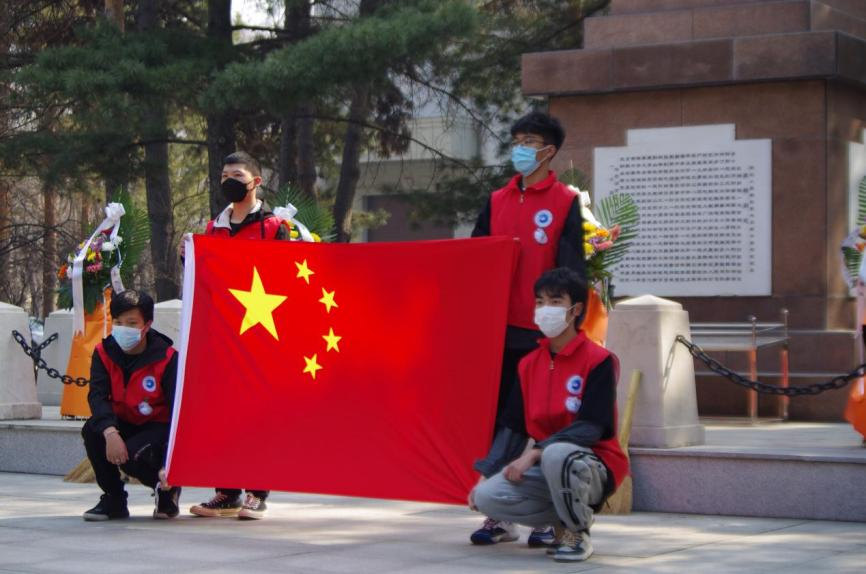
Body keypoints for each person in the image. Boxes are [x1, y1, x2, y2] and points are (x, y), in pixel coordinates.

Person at [470, 111, 586, 546]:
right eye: (516, 140)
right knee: (499, 422)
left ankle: (544, 517)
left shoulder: (565, 201)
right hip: (499, 330)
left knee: (544, 422)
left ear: (548, 150)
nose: (520, 149)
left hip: (544, 332)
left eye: (529, 142)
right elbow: (474, 259)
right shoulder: (497, 199)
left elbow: (572, 270)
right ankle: (499, 516)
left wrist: (567, 328)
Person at [470, 268, 629, 563]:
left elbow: (592, 427)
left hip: (593, 464)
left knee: (556, 454)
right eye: (540, 302)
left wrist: (535, 453)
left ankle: (576, 533)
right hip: (548, 464)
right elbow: (514, 427)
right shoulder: (529, 364)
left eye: (555, 302)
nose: (545, 310)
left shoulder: (599, 360)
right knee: (486, 497)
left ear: (576, 310)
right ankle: (559, 522)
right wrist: (487, 472)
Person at [186, 151, 289, 519]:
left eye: (237, 175)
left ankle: (257, 492)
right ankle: (226, 491)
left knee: (258, 413)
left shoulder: (275, 226)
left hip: (262, 332)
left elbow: (286, 277)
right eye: (224, 175)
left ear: (255, 181)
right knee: (223, 412)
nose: (229, 181)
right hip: (224, 334)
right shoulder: (213, 228)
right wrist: (189, 259)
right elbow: (207, 278)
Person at [81, 289, 181, 521]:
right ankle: (114, 499)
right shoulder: (103, 353)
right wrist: (110, 432)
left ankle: (167, 489)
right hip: (122, 421)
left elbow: (178, 411)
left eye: (132, 323)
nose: (123, 328)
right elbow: (97, 396)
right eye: (118, 322)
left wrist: (170, 461)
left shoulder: (167, 358)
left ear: (147, 324)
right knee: (93, 431)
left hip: (157, 427)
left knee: (133, 455)